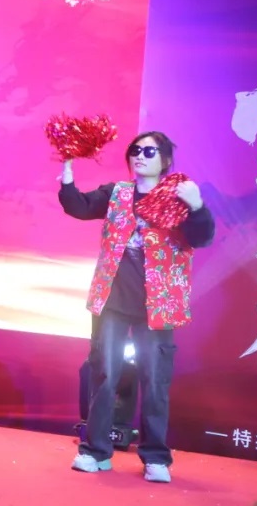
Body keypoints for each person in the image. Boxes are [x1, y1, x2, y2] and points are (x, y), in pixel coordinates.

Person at [60, 131, 215, 484]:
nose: (140, 156)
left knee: (155, 381)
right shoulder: (116, 193)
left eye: (149, 151)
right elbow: (79, 207)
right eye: (135, 150)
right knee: (104, 375)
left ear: (165, 159)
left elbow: (202, 237)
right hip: (113, 300)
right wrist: (67, 176)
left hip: (158, 304)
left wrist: (197, 206)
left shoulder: (178, 195)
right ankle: (96, 451)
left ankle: (155, 457)